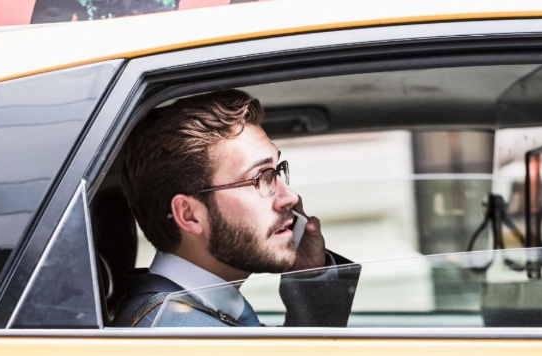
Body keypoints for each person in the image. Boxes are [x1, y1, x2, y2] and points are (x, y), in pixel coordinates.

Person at [111, 89, 359, 328]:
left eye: (277, 171)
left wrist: (311, 278)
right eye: (260, 178)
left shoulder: (190, 317)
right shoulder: (186, 341)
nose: (290, 197)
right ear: (189, 215)